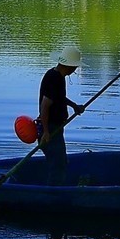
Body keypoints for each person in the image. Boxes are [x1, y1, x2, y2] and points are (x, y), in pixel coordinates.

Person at [37, 44, 84, 186]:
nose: (75, 70)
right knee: (58, 166)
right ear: (70, 66)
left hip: (54, 128)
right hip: (50, 129)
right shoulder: (54, 78)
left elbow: (58, 98)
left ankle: (55, 192)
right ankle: (53, 196)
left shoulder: (58, 76)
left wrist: (74, 106)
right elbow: (45, 106)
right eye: (75, 67)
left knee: (60, 162)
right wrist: (45, 132)